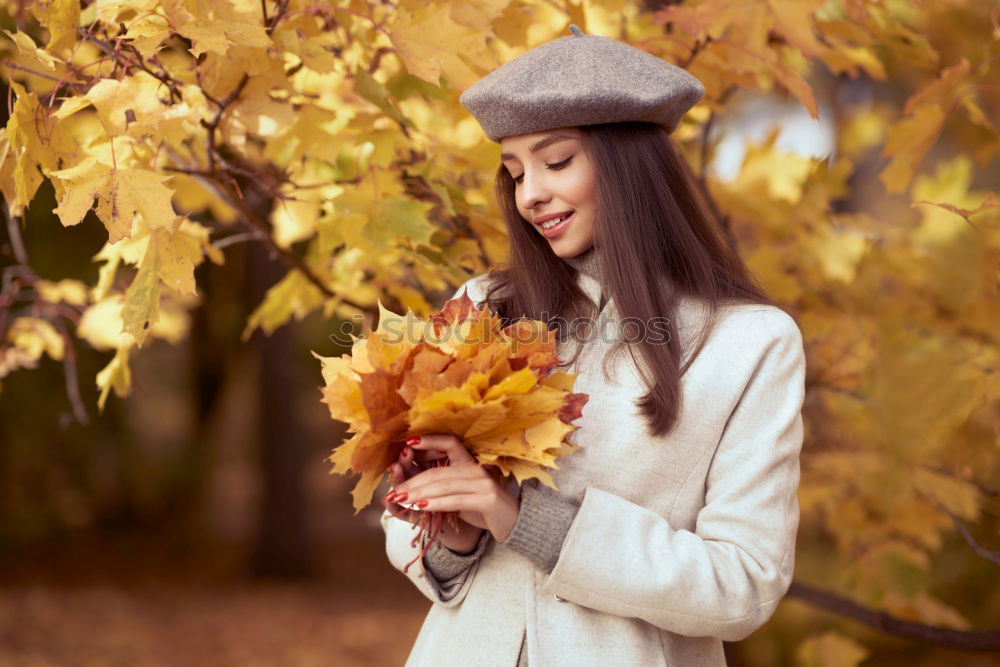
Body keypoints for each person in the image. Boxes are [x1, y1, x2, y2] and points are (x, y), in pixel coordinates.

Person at [379, 24, 807, 666]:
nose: (531, 195)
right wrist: (452, 536)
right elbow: (409, 525)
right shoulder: (484, 305)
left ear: (631, 166)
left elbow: (743, 585)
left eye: (556, 162)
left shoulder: (749, 343)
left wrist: (527, 520)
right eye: (515, 171)